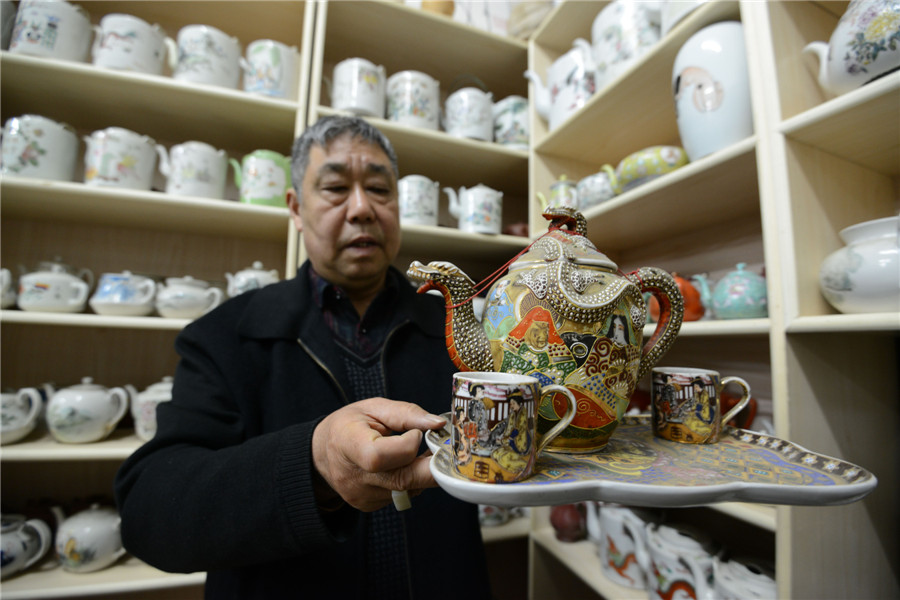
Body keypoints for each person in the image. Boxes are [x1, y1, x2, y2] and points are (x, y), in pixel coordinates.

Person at [114, 115, 491, 599]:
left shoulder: (458, 329)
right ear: (295, 207)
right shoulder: (225, 336)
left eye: (379, 189)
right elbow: (150, 515)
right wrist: (312, 464)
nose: (362, 209)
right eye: (335, 188)